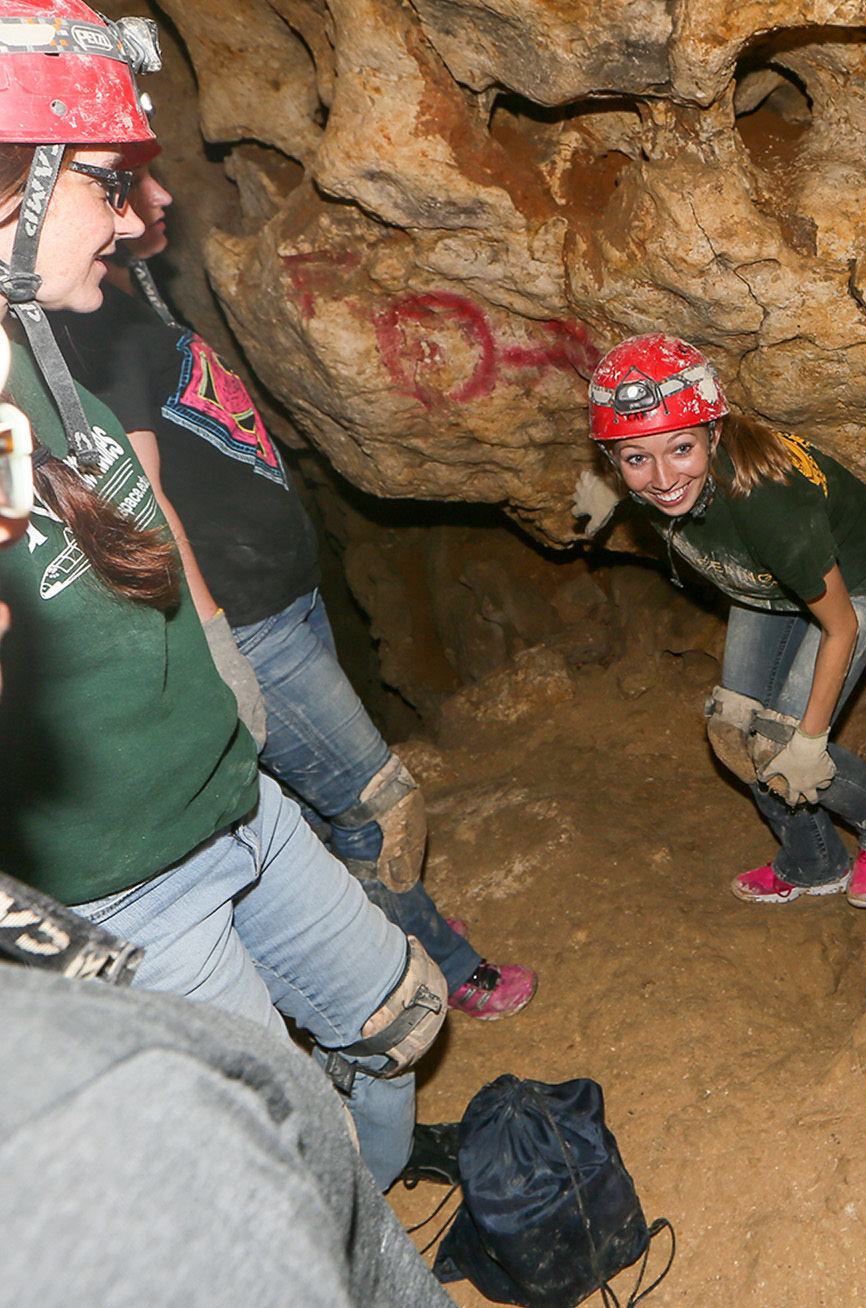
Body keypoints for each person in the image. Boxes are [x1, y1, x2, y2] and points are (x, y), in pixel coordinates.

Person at [0, 0, 443, 1190]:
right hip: (127, 887)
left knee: (400, 1023)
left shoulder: (34, 366)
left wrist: (219, 666)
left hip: (236, 800)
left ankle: (374, 1232)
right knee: (283, 1175)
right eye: (105, 180)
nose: (140, 211)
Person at [50, 163, 536, 1021]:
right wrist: (216, 643)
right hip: (247, 625)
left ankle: (386, 927)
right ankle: (422, 963)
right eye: (126, 185)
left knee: (327, 805)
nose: (158, 200)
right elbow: (147, 497)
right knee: (375, 805)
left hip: (284, 601)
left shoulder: (126, 304)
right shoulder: (88, 335)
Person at [586, 335, 866, 907]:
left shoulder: (769, 506)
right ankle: (815, 861)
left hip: (848, 581)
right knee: (733, 733)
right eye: (636, 458)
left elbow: (841, 628)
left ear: (714, 434)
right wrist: (610, 489)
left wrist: (810, 741)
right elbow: (652, 467)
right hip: (763, 586)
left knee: (782, 747)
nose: (663, 478)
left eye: (681, 450)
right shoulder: (652, 479)